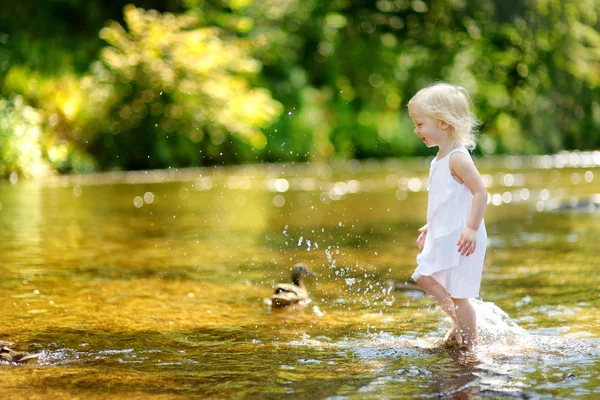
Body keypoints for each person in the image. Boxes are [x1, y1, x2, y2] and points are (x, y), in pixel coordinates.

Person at [408, 83, 487, 350]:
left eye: (420, 124)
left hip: (465, 237)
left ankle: (471, 346)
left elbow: (481, 193)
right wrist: (430, 226)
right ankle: (460, 325)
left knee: (459, 294)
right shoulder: (438, 159)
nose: (416, 130)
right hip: (448, 232)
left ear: (443, 123)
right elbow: (446, 201)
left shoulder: (457, 159)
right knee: (424, 276)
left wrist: (472, 229)